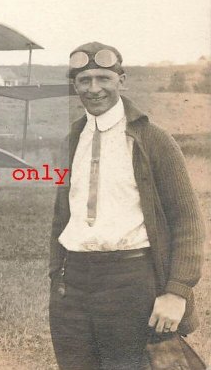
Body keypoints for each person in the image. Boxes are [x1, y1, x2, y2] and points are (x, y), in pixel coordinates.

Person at [48, 42, 204, 369]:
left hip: (130, 283)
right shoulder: (71, 140)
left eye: (103, 78)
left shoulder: (153, 140)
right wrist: (56, 276)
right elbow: (61, 218)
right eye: (84, 80)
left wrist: (176, 292)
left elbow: (187, 222)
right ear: (74, 85)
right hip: (72, 286)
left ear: (122, 79)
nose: (94, 89)